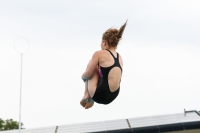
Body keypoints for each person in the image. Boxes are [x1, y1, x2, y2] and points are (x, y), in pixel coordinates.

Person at [80, 21, 127, 109]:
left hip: (99, 94)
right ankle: (90, 97)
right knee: (102, 70)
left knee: (92, 63)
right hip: (113, 96)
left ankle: (87, 94)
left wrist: (82, 77)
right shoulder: (120, 57)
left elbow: (87, 75)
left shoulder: (99, 54)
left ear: (104, 43)